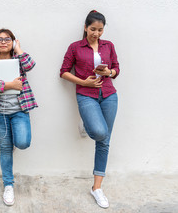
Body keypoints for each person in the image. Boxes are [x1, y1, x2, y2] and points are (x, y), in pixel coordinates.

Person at [60, 10, 120, 208]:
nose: (96, 33)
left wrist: (108, 72)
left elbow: (116, 69)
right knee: (99, 131)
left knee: (104, 142)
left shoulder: (108, 45)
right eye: (93, 29)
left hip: (109, 95)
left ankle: (97, 188)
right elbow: (63, 72)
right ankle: (87, 123)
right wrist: (84, 82)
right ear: (85, 28)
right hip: (86, 95)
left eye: (100, 30)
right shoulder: (75, 47)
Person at [0, 29, 38, 206]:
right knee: (5, 149)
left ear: (13, 42)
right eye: (0, 39)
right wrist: (9, 85)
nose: (3, 42)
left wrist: (19, 50)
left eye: (8, 39)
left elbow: (31, 65)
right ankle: (8, 185)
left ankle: (12, 141)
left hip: (20, 110)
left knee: (22, 143)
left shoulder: (19, 61)